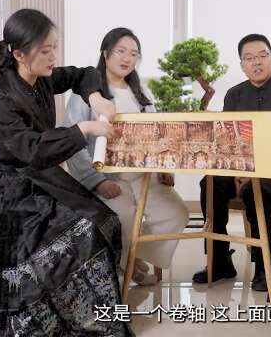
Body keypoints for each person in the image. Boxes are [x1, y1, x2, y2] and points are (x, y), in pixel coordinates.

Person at [0, 9, 133, 337]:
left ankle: (76, 310)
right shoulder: (2, 94)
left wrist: (95, 97)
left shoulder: (41, 78)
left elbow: (82, 74)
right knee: (82, 229)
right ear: (19, 54)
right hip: (9, 193)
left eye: (55, 48)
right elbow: (33, 149)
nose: (53, 57)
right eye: (45, 50)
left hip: (40, 179)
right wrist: (83, 129)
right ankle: (50, 312)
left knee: (104, 220)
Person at [65, 27, 189, 286]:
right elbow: (73, 145)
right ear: (105, 54)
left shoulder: (142, 94)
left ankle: (129, 259)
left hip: (144, 176)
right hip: (107, 177)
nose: (127, 58)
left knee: (176, 213)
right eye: (121, 51)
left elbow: (158, 136)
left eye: (133, 54)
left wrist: (164, 167)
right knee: (122, 218)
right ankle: (126, 267)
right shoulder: (86, 94)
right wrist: (97, 181)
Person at [192, 34, 271, 292]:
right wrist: (237, 170)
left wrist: (253, 172)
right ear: (242, 65)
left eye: (263, 56)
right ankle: (219, 260)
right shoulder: (234, 95)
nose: (257, 62)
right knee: (210, 183)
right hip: (241, 169)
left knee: (257, 189)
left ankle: (263, 266)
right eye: (249, 58)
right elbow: (229, 142)